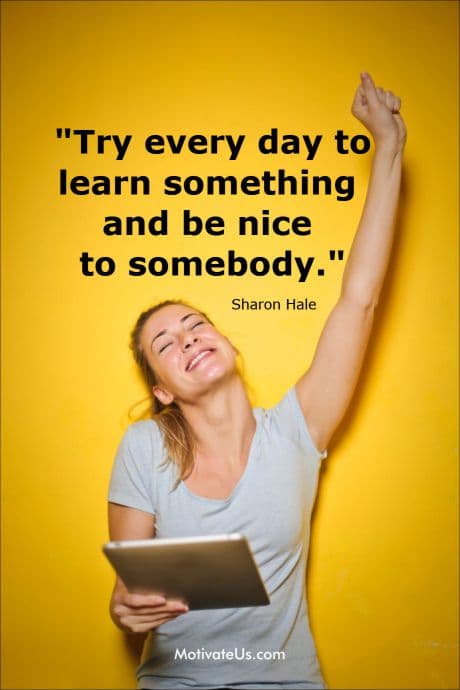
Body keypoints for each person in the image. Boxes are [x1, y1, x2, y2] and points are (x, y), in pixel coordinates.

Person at [107, 72, 406, 690]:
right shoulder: (144, 449)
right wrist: (124, 609)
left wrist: (389, 147)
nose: (187, 337)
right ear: (162, 388)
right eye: (166, 343)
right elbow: (130, 602)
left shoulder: (297, 431)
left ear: (226, 343)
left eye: (195, 325)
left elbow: (359, 301)